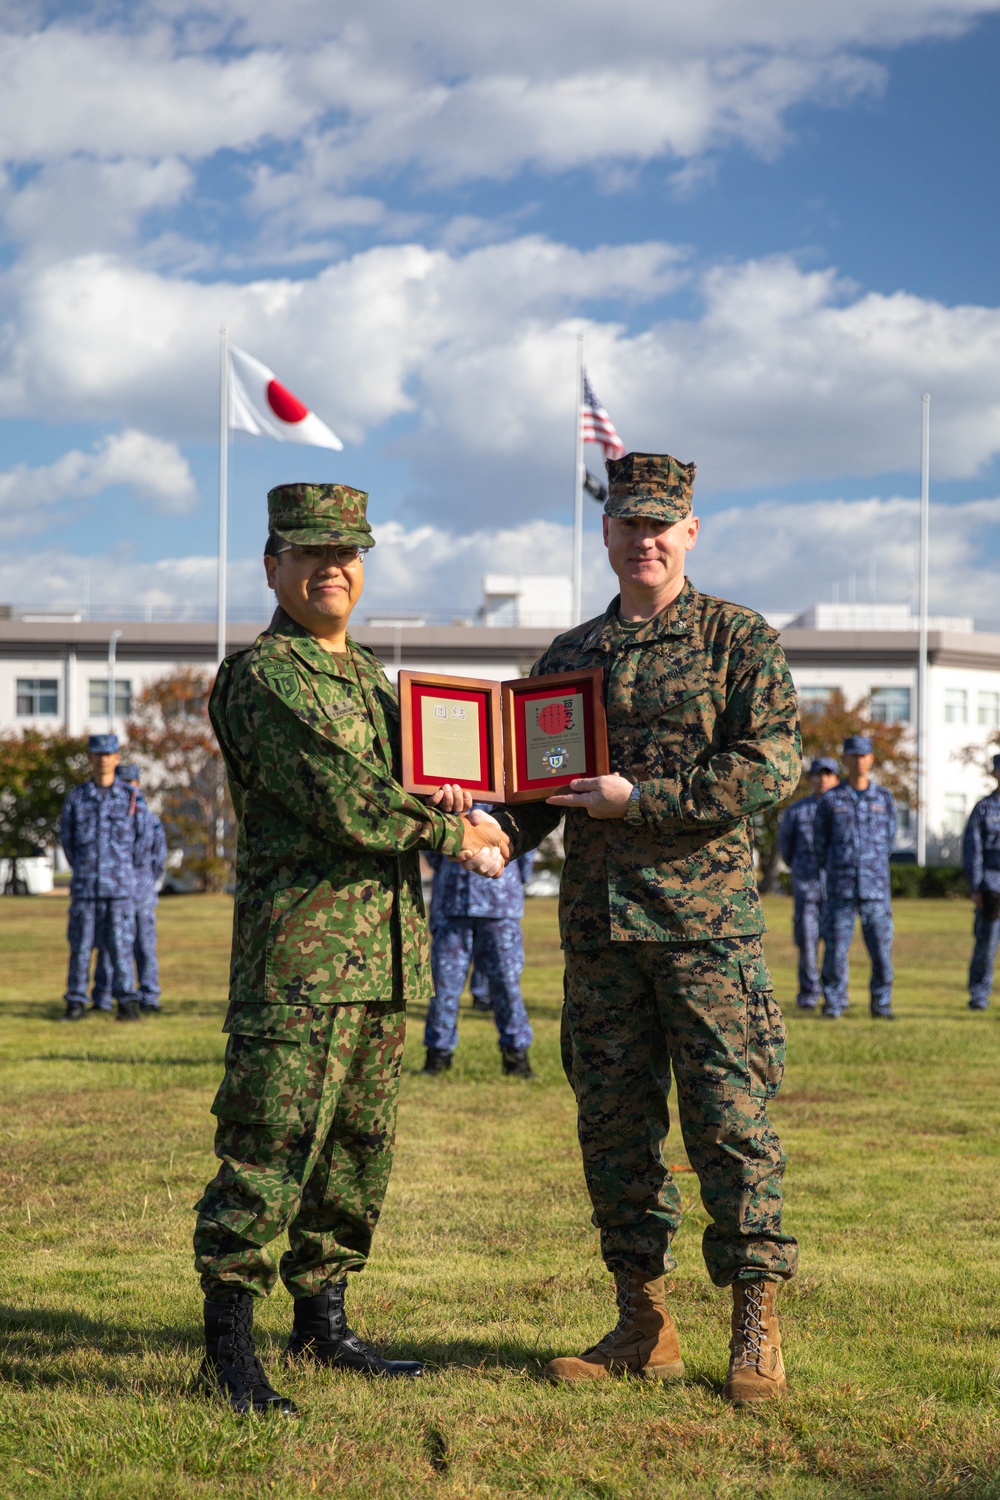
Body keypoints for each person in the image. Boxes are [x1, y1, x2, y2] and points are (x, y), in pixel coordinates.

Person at [488, 451, 800, 1403]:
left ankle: (755, 1327)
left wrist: (643, 801)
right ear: (607, 532)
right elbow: (537, 787)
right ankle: (643, 1323)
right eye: (629, 523)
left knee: (729, 1125)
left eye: (662, 524)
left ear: (690, 532)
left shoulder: (736, 638)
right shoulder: (568, 657)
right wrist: (493, 830)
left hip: (705, 936)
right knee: (615, 1133)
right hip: (600, 937)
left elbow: (770, 765)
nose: (645, 540)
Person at [193, 482, 510, 1417]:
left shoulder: (372, 677)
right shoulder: (264, 677)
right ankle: (227, 1349)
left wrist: (455, 797)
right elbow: (345, 796)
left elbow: (409, 783)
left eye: (347, 553)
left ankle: (321, 1324)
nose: (332, 567)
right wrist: (457, 834)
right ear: (273, 567)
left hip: (383, 957)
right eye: (310, 552)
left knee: (355, 1153)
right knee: (270, 1147)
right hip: (301, 963)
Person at [422, 821, 537, 1076]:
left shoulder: (506, 800)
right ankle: (437, 1055)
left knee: (507, 984)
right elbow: (433, 840)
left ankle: (516, 1055)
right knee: (444, 986)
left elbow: (526, 838)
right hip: (453, 902)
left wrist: (513, 877)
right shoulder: (447, 797)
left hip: (500, 905)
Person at [59, 733, 146, 1023]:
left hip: (120, 889)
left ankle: (126, 1004)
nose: (103, 760)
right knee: (81, 947)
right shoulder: (76, 798)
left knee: (122, 948)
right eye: (97, 754)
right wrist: (86, 869)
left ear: (117, 758)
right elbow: (68, 842)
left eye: (108, 754)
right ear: (89, 758)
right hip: (86, 888)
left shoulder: (131, 798)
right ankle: (75, 1003)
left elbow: (142, 842)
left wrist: (124, 872)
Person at [813, 734, 896, 1021]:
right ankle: (833, 1004)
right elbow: (820, 844)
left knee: (881, 951)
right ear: (845, 759)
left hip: (876, 889)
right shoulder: (831, 800)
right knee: (835, 950)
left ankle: (881, 1004)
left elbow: (889, 842)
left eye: (864, 755)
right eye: (854, 755)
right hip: (841, 888)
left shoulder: (884, 799)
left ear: (871, 759)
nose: (859, 761)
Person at [91, 764, 167, 1015]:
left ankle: (149, 996)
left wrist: (143, 881)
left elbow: (159, 859)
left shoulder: (150, 819)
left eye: (130, 783)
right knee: (108, 945)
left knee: (144, 945)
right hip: (114, 890)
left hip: (141, 892)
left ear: (137, 784)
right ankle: (103, 997)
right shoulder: (107, 815)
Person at [777, 757, 839, 1010]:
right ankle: (808, 994)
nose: (823, 779)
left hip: (836, 888)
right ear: (811, 778)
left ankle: (837, 994)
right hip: (807, 886)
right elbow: (786, 848)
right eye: (818, 774)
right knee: (807, 944)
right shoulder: (796, 811)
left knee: (837, 945)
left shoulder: (843, 809)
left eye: (828, 774)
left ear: (836, 778)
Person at [963, 752, 1000, 1011]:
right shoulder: (984, 808)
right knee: (986, 945)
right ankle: (979, 995)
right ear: (994, 773)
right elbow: (972, 850)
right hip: (992, 887)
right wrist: (975, 886)